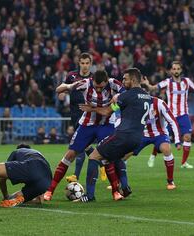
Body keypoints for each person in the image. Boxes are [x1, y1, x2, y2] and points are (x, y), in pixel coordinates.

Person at [44, 69, 124, 202]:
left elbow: (125, 97)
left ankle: (116, 192)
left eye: (101, 87)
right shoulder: (85, 83)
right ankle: (50, 190)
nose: (98, 90)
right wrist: (69, 86)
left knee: (106, 157)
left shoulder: (114, 84)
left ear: (106, 81)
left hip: (106, 125)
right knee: (69, 155)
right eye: (96, 87)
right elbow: (59, 89)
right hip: (87, 124)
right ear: (92, 81)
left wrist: (116, 102)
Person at [81, 68, 152, 201]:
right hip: (137, 138)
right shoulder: (147, 97)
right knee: (114, 158)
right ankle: (125, 187)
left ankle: (89, 196)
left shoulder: (126, 95)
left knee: (93, 156)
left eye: (125, 79)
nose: (123, 81)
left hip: (123, 135)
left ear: (133, 80)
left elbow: (108, 112)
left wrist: (93, 108)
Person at [141, 61, 194, 168]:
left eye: (178, 69)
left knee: (187, 137)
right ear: (171, 71)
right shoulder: (167, 82)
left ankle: (184, 163)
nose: (176, 71)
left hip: (183, 114)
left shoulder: (187, 82)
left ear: (181, 70)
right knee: (161, 137)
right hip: (169, 116)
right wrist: (147, 84)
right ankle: (153, 155)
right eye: (174, 69)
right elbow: (153, 88)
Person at [124, 96, 182, 190]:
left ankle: (170, 181)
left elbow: (172, 121)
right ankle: (118, 181)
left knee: (166, 149)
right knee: (125, 154)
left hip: (160, 134)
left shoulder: (159, 103)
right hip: (142, 134)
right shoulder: (135, 104)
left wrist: (177, 140)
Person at [0, 144, 52, 208]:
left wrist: (5, 196)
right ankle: (17, 200)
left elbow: (2, 180)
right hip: (47, 181)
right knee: (16, 198)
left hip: (32, 166)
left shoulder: (18, 151)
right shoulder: (40, 156)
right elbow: (40, 199)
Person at [58, 53, 94, 181]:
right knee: (85, 145)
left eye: (87, 63)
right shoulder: (71, 76)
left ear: (90, 64)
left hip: (89, 114)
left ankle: (76, 176)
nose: (85, 66)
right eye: (82, 63)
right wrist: (62, 92)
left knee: (81, 144)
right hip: (74, 113)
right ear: (79, 63)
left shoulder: (93, 78)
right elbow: (60, 89)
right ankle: (102, 165)